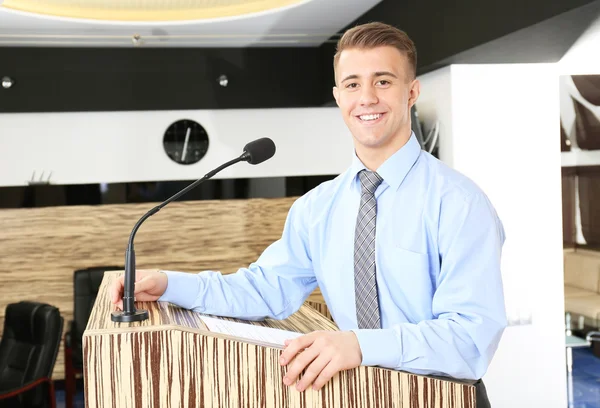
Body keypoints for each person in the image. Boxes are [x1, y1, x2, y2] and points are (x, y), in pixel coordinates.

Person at [110, 21, 506, 407]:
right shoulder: (317, 208)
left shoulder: (459, 203)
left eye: (383, 81)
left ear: (412, 92)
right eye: (353, 84)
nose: (366, 97)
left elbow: (469, 339)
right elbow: (263, 289)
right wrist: (169, 285)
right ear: (339, 97)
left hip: (446, 399)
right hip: (359, 395)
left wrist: (358, 344)